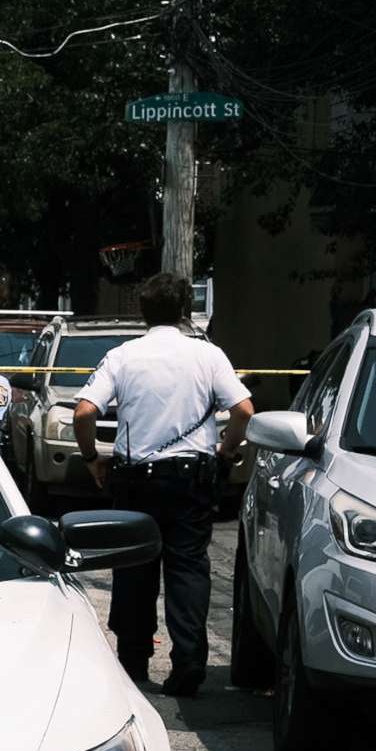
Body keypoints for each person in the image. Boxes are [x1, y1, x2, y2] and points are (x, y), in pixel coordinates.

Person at [74, 273, 254, 695]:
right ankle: (189, 661)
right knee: (187, 568)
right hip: (192, 476)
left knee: (134, 568)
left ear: (143, 312)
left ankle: (133, 661)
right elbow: (243, 409)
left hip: (135, 478)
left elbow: (84, 412)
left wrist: (91, 459)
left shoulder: (123, 355)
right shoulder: (208, 356)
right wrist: (225, 452)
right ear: (184, 312)